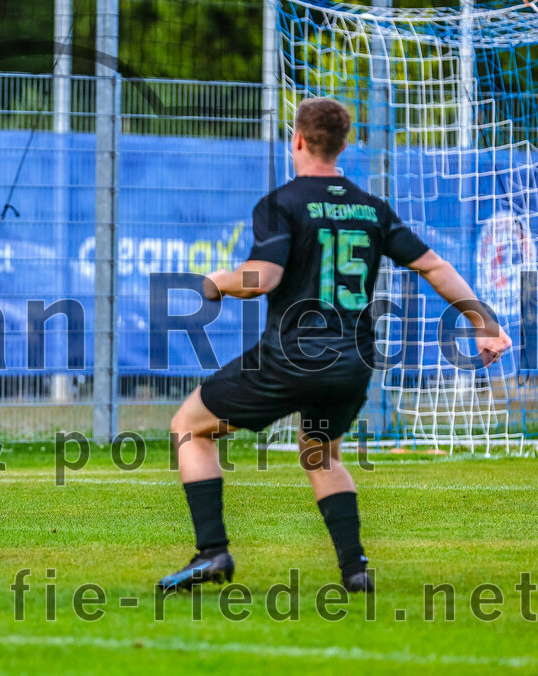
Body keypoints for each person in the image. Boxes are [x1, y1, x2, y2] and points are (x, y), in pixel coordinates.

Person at [158, 98, 511, 592]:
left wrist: (217, 282)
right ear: (344, 145)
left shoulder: (282, 203)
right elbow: (433, 266)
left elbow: (264, 277)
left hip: (290, 358)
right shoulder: (370, 207)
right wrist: (483, 322)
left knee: (190, 428)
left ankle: (212, 552)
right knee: (322, 453)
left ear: (297, 140)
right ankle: (355, 569)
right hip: (352, 361)